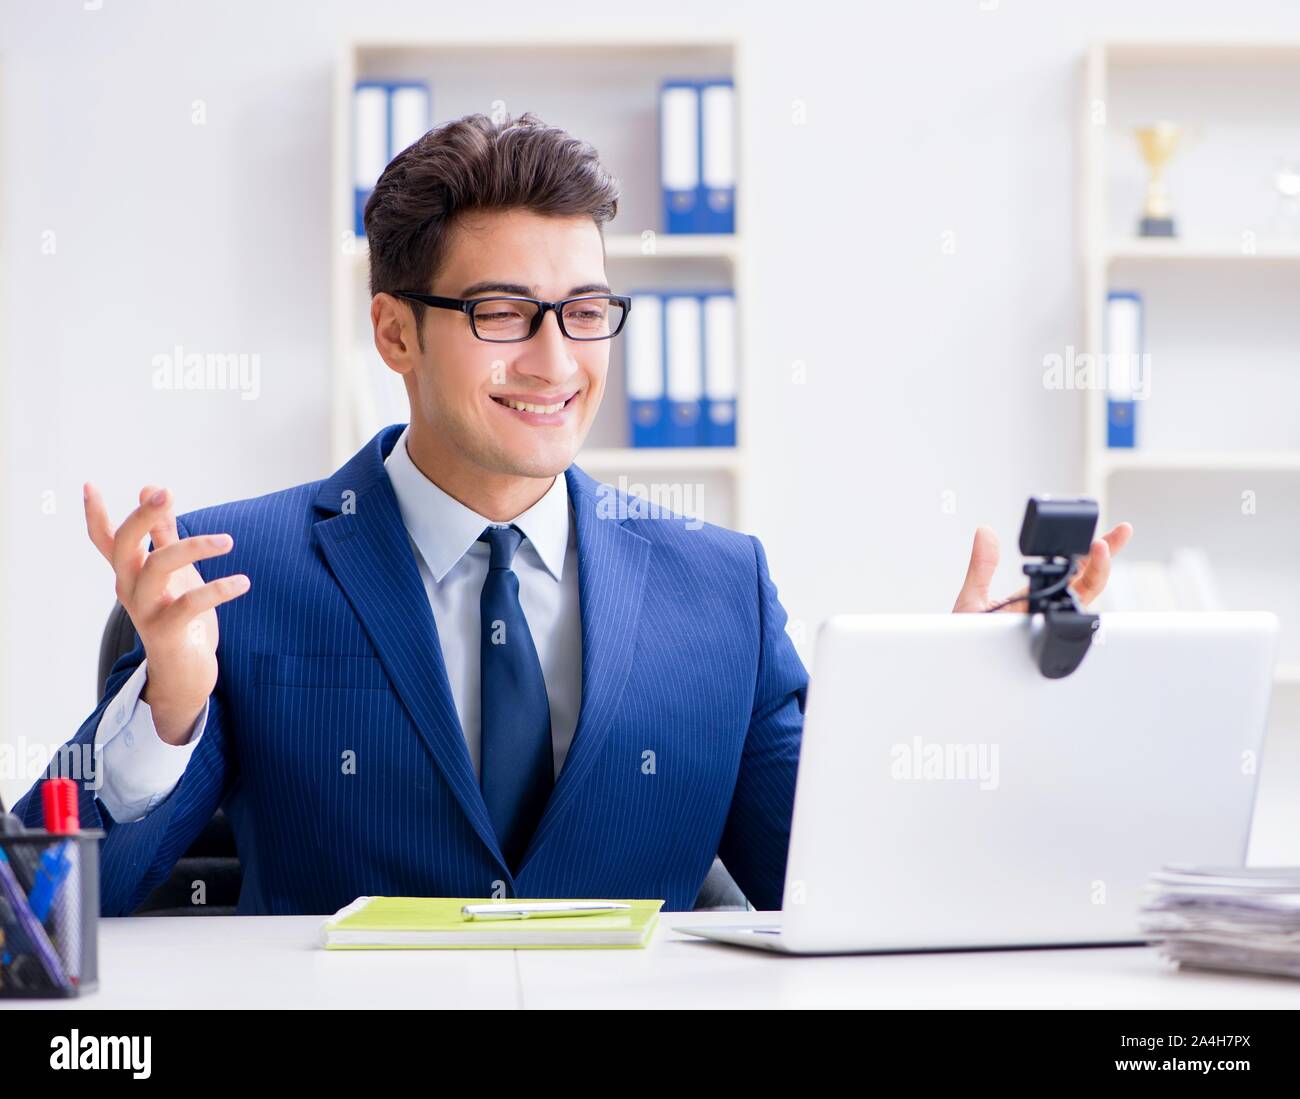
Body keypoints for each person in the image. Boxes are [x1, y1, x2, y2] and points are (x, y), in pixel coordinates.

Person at [14, 113, 1132, 915]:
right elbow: (33, 909)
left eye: (587, 311)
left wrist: (960, 703)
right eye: (504, 312)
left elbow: (853, 889)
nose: (556, 360)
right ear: (395, 332)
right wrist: (169, 705)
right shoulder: (237, 570)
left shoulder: (720, 588)